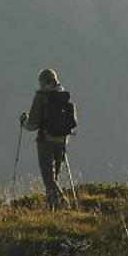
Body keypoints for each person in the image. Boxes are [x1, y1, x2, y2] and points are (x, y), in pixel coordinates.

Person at [19, 67, 76, 209]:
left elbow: (32, 125)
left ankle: (58, 205)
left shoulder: (40, 97)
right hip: (62, 141)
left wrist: (23, 121)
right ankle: (58, 205)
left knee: (48, 179)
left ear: (43, 82)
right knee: (54, 177)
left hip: (45, 142)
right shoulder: (63, 96)